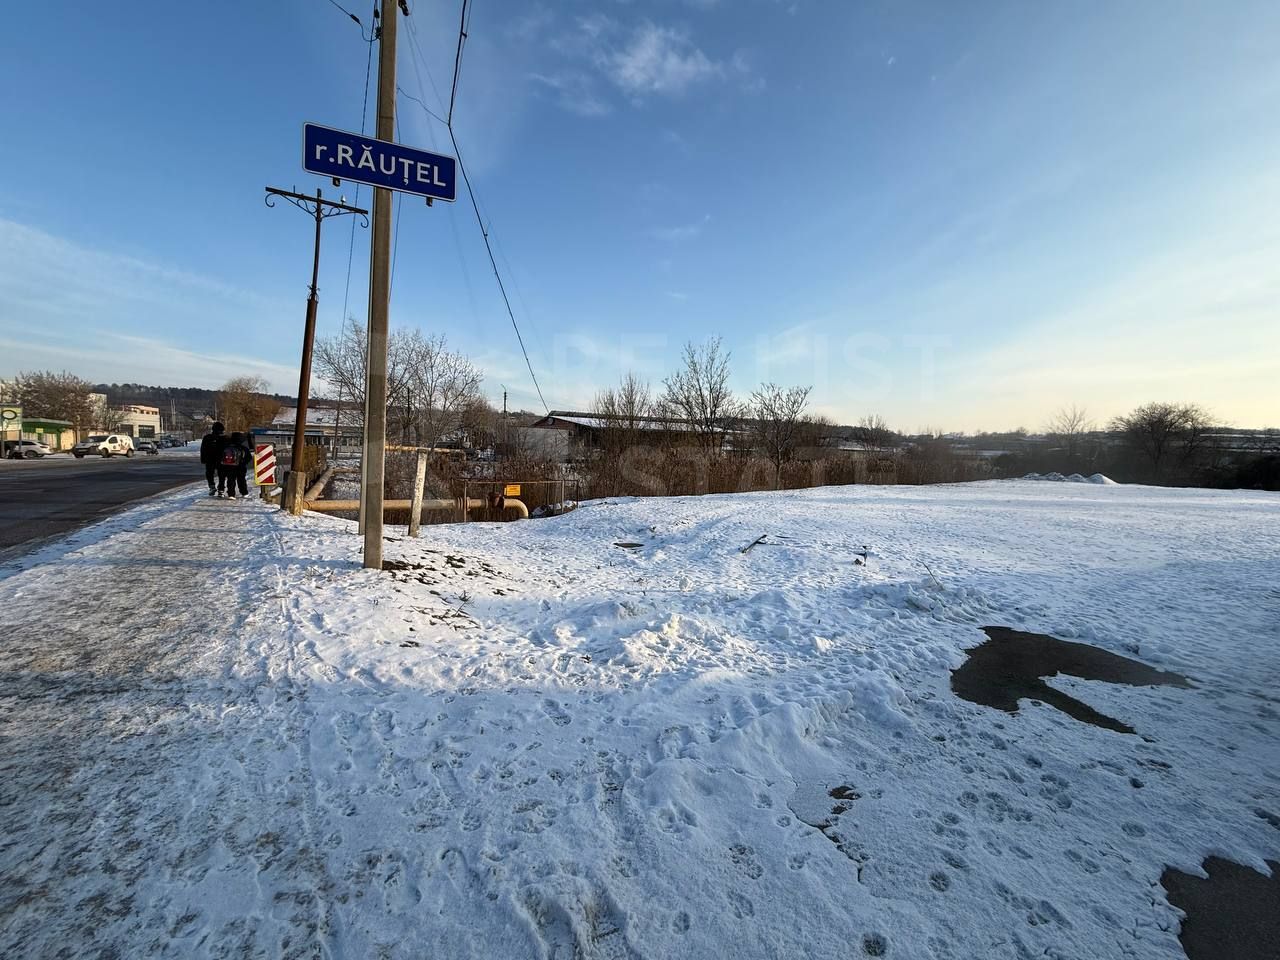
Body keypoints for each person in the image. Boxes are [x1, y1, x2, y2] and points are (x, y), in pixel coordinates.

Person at [216, 432, 250, 499]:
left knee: (231, 480)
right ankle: (244, 493)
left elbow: (222, 457)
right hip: (241, 467)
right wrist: (244, 462)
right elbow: (248, 458)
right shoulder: (243, 448)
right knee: (241, 480)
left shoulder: (227, 447)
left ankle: (231, 494)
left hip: (229, 466)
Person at [199, 422, 227, 496]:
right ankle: (221, 489)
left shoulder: (207, 437)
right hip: (221, 460)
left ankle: (212, 486)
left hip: (209, 459)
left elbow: (203, 449)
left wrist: (203, 459)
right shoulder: (224, 438)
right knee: (222, 475)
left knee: (209, 473)